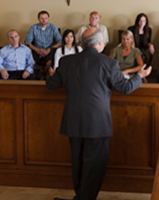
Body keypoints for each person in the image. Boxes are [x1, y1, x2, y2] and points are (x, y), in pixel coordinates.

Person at [46, 27, 152, 200]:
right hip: (97, 123)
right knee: (94, 167)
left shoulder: (66, 61)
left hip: (73, 122)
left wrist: (51, 75)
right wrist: (140, 76)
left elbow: (51, 84)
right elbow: (124, 88)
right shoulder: (109, 63)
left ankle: (80, 196)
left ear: (81, 43)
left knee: (78, 164)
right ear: (100, 43)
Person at [24, 10, 62, 79]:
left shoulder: (53, 27)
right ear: (38, 19)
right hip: (36, 50)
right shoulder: (33, 28)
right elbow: (27, 42)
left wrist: (48, 49)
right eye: (42, 18)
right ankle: (40, 73)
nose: (44, 20)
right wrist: (37, 50)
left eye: (46, 18)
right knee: (32, 64)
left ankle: (42, 73)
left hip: (49, 50)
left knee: (50, 64)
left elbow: (60, 42)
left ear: (48, 18)